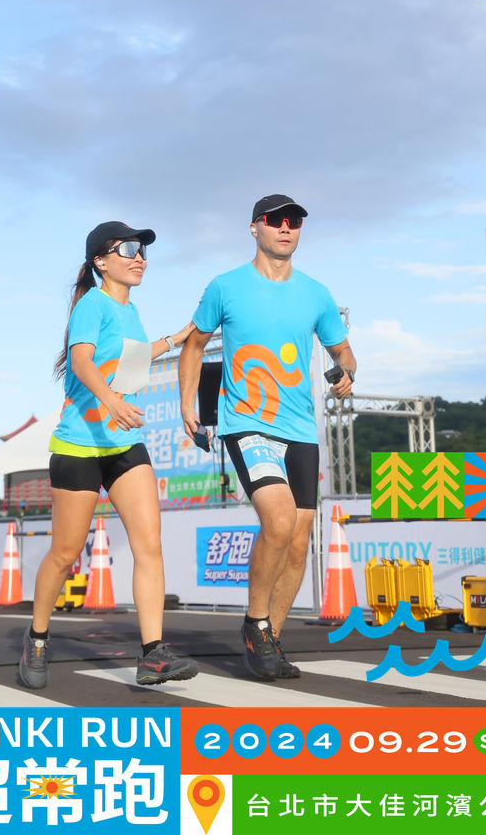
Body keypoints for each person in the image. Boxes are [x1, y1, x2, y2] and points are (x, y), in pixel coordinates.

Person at [177, 194, 356, 681]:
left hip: (300, 430)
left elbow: (343, 351)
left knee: (298, 542)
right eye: (276, 221)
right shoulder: (225, 286)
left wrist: (346, 372)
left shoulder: (316, 293)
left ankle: (269, 641)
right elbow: (194, 345)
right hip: (247, 423)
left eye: (294, 221)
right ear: (254, 228)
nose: (286, 227)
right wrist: (188, 405)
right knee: (278, 519)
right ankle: (255, 625)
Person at [18, 220, 199, 690]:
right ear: (100, 261)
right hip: (79, 445)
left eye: (143, 251)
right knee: (65, 553)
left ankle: (153, 654)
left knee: (149, 544)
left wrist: (176, 339)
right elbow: (81, 361)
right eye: (129, 249)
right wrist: (112, 401)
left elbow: (131, 364)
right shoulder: (91, 305)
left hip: (123, 445)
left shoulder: (131, 311)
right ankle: (37, 637)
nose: (140, 258)